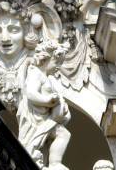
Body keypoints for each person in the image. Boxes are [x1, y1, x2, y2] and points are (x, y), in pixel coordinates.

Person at [18, 39, 71, 170]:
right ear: (46, 59)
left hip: (46, 118)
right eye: (56, 62)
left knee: (63, 134)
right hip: (36, 119)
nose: (59, 66)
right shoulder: (35, 73)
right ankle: (54, 163)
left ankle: (53, 163)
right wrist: (47, 100)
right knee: (62, 134)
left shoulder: (49, 79)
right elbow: (30, 93)